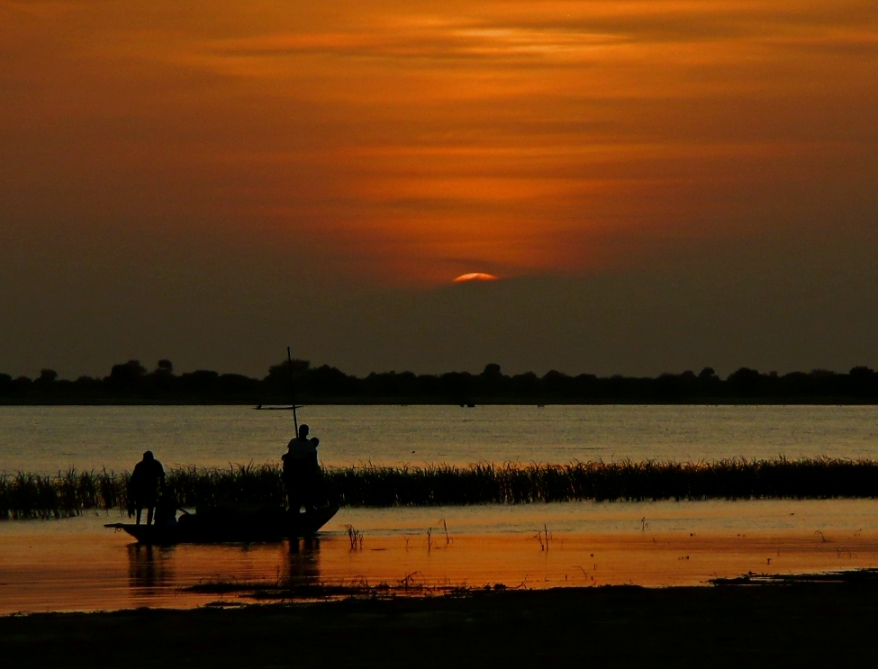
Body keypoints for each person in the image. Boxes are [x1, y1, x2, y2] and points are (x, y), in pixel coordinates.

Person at [282, 424, 321, 513]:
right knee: (294, 495)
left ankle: (306, 510)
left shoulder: (308, 445)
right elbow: (290, 455)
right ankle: (295, 511)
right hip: (295, 473)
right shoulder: (294, 442)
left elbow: (311, 460)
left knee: (305, 495)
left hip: (303, 473)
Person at [129, 451, 166, 525]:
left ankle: (147, 524)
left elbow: (162, 477)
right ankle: (139, 524)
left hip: (150, 489)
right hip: (141, 489)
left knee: (150, 507)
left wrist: (163, 490)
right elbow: (134, 480)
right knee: (141, 507)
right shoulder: (141, 465)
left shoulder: (155, 464)